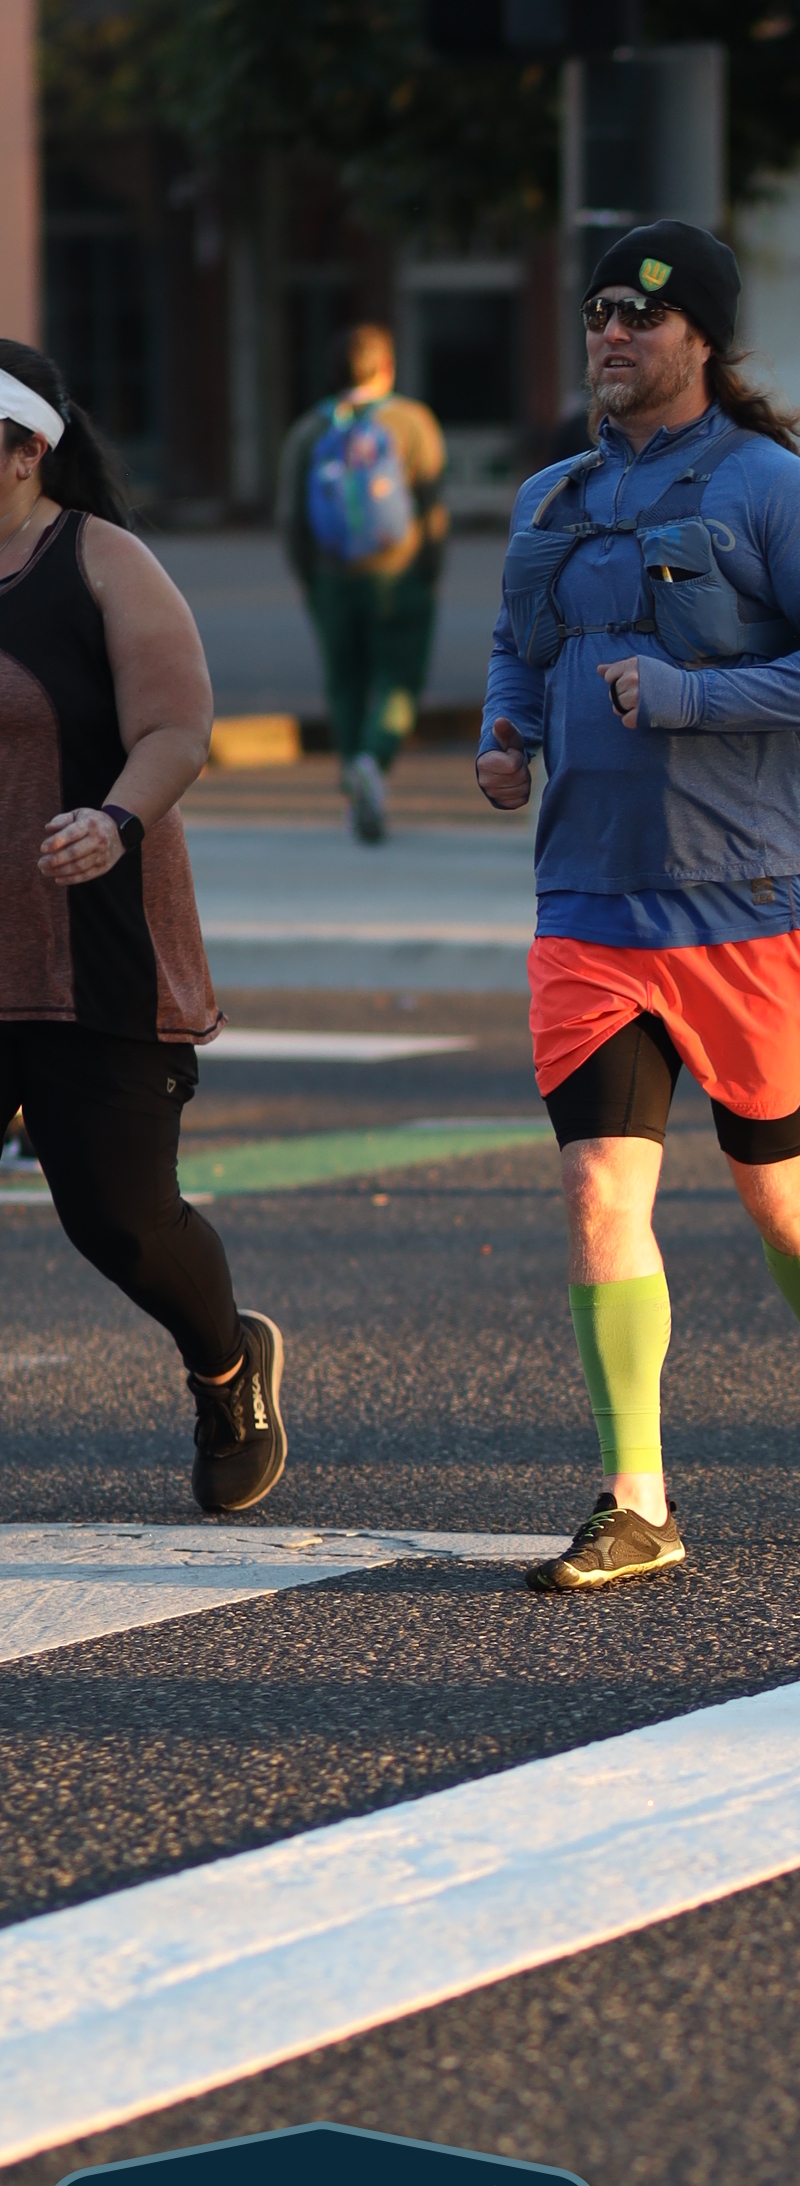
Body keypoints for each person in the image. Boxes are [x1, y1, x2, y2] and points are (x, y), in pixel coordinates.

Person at [476, 220, 800, 1591]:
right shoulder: (551, 496)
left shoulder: (776, 489)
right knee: (599, 1188)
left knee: (779, 1195)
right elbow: (517, 644)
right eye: (599, 311)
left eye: (641, 316)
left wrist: (693, 697)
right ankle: (637, 1502)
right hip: (588, 904)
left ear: (702, 339)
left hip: (747, 903)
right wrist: (503, 733)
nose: (611, 334)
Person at [0, 339, 288, 1510]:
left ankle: (227, 1368)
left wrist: (115, 821)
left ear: (26, 453)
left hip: (90, 942)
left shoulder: (99, 562)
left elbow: (176, 726)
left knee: (118, 1220)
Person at [277, 324, 448, 843]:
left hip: (332, 579)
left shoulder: (309, 431)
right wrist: (430, 570)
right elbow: (431, 506)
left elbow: (291, 517)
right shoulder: (412, 422)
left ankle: (354, 784)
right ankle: (374, 759)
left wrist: (309, 578)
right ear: (387, 369)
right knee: (399, 679)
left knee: (344, 683)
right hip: (399, 575)